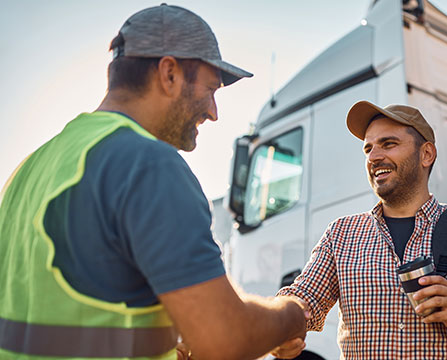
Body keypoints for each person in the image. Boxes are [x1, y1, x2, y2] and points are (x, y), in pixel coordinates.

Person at [0, 5, 307, 360]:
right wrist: (291, 315)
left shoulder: (29, 169)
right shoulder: (147, 164)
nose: (213, 111)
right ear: (169, 73)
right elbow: (225, 339)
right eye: (211, 89)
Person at [272, 101, 447, 359]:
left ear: (426, 154)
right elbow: (303, 299)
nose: (374, 157)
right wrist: (280, 326)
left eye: (388, 144)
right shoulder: (341, 234)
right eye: (368, 149)